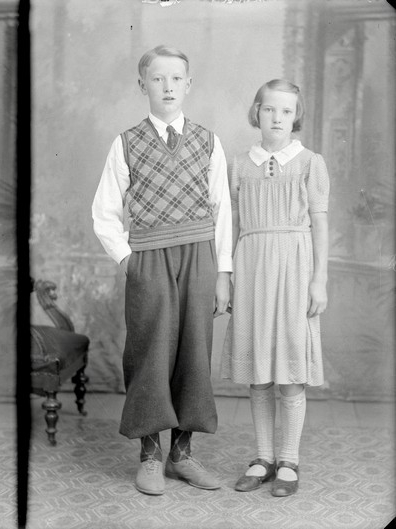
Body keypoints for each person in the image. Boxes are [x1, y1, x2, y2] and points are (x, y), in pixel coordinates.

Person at [92, 45, 232, 496]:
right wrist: (129, 260)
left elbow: (222, 210)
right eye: (157, 79)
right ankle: (150, 456)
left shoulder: (208, 141)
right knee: (150, 353)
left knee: (194, 351)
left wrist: (224, 272)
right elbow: (104, 212)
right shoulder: (126, 142)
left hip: (200, 256)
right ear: (142, 86)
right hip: (149, 258)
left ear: (188, 85)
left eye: (176, 79)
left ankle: (182, 455)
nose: (167, 87)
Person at [222, 79, 329, 497]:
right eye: (269, 110)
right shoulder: (239, 164)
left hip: (295, 269)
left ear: (296, 116)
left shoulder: (309, 163)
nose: (278, 118)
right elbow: (231, 226)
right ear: (257, 112)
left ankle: (289, 459)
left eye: (287, 111)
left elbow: (319, 223)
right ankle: (263, 457)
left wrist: (319, 279)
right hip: (251, 267)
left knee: (290, 372)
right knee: (259, 372)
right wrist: (226, 276)